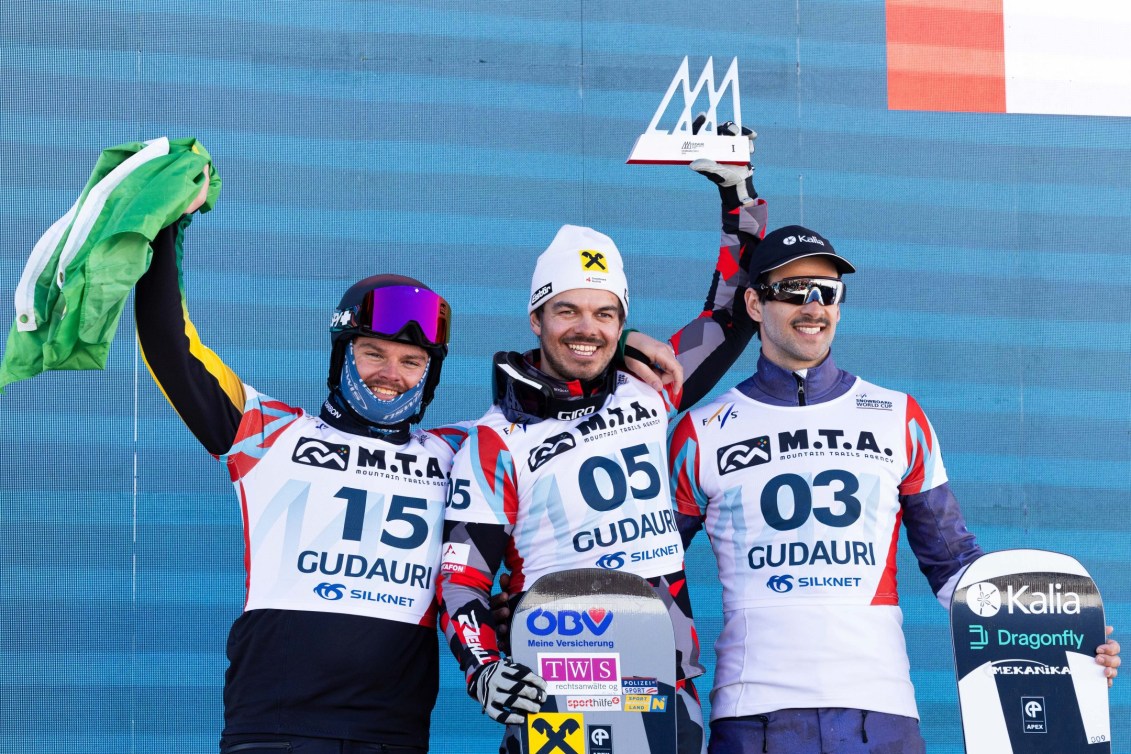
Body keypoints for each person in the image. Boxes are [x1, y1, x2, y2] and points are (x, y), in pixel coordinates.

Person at [667, 226, 1122, 753]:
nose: (813, 306)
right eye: (794, 290)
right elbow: (653, 573)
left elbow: (954, 564)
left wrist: (1056, 639)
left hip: (880, 716)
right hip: (754, 718)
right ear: (753, 301)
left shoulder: (898, 416)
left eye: (828, 291)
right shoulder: (701, 430)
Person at [436, 151, 768, 754]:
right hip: (558, 685)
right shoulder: (494, 441)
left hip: (661, 682)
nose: (585, 328)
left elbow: (732, 313)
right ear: (536, 318)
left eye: (604, 313)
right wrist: (482, 668)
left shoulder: (651, 385)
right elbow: (462, 579)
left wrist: (737, 197)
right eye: (567, 310)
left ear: (621, 322)